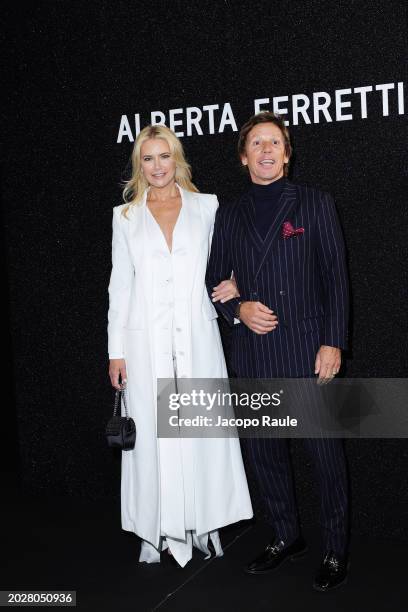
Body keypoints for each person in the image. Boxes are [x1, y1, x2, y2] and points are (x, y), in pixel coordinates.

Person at [206, 111, 350, 591]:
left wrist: (334, 341)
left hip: (307, 350)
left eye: (275, 143)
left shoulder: (314, 204)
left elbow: (336, 279)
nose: (266, 151)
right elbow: (214, 278)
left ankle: (334, 548)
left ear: (286, 154)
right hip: (254, 351)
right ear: (244, 156)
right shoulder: (229, 213)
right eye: (257, 144)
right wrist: (238, 310)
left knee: (323, 457)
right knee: (266, 455)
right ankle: (286, 536)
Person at [107, 124, 253, 568]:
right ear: (139, 165)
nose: (156, 166)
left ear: (177, 159)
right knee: (154, 438)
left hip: (197, 337)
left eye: (163, 156)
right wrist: (116, 350)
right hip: (143, 344)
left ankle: (203, 524)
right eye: (147, 158)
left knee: (199, 433)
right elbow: (120, 286)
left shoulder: (207, 207)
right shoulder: (125, 216)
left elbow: (232, 260)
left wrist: (235, 282)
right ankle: (157, 530)